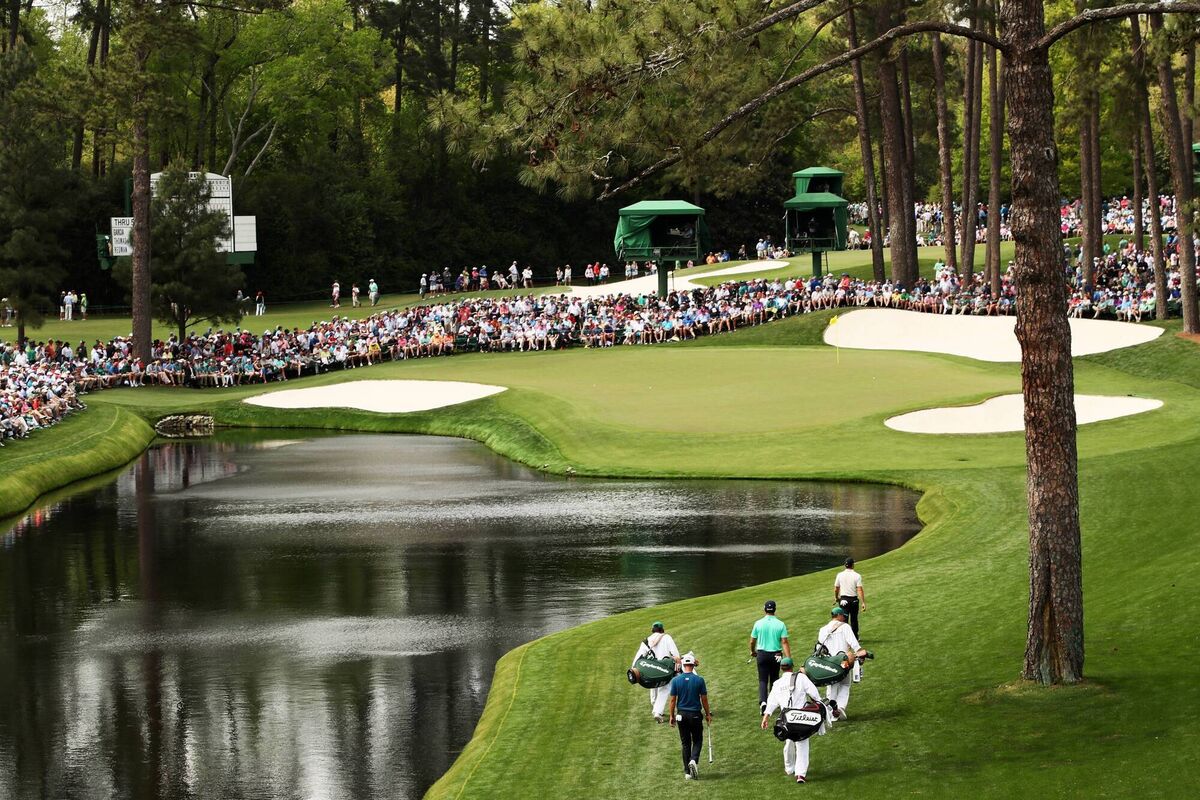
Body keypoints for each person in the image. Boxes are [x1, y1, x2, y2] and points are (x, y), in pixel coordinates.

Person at [761, 657, 829, 784]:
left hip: (786, 720)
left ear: (781, 669)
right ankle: (800, 774)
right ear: (792, 667)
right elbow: (814, 694)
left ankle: (789, 768)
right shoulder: (801, 678)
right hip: (801, 718)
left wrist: (766, 717)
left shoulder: (777, 684)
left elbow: (771, 702)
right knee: (802, 744)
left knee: (788, 742)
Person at [817, 606, 868, 719]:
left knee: (831, 686)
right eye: (843, 616)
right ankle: (839, 708)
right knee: (845, 685)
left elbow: (819, 648)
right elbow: (854, 644)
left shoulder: (822, 630)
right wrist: (860, 653)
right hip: (843, 661)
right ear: (839, 616)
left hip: (829, 663)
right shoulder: (845, 627)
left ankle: (831, 712)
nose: (844, 618)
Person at [668, 652, 711, 781]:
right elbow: (704, 700)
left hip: (681, 715)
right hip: (695, 715)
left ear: (683, 665)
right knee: (697, 740)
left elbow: (672, 701)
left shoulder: (676, 680)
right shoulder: (699, 680)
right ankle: (693, 760)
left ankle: (687, 772)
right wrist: (708, 714)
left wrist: (671, 716)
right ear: (692, 665)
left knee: (685, 743)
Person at [631, 621, 681, 722]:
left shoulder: (646, 641)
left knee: (653, 685)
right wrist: (678, 665)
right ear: (662, 630)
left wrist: (633, 669)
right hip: (664, 668)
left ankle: (655, 707)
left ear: (652, 630)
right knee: (664, 688)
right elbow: (675, 654)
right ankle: (657, 711)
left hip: (651, 668)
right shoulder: (666, 637)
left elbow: (638, 658)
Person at [750, 599, 791, 714]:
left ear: (764, 610)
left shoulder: (758, 623)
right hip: (776, 655)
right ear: (775, 610)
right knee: (774, 679)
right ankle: (773, 702)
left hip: (762, 654)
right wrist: (788, 658)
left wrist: (752, 651)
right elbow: (784, 642)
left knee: (762, 679)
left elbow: (752, 641)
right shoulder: (780, 624)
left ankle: (763, 702)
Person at [834, 557, 867, 636]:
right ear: (852, 565)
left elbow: (836, 588)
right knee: (854, 620)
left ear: (845, 565)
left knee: (844, 620)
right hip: (853, 601)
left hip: (843, 600)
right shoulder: (857, 576)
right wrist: (863, 602)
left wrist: (836, 597)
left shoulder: (839, 575)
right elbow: (859, 590)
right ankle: (855, 637)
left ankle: (844, 637)